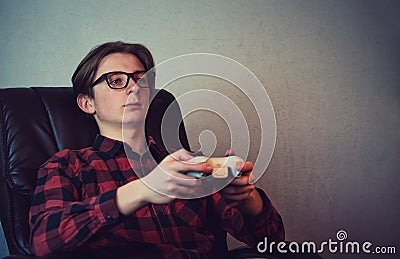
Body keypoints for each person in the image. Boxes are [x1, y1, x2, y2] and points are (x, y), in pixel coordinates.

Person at [29, 41, 285, 258]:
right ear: (87, 103)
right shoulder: (67, 165)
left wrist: (247, 198)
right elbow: (43, 240)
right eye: (116, 80)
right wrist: (143, 190)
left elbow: (272, 242)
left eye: (142, 80)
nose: (134, 88)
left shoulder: (190, 164)